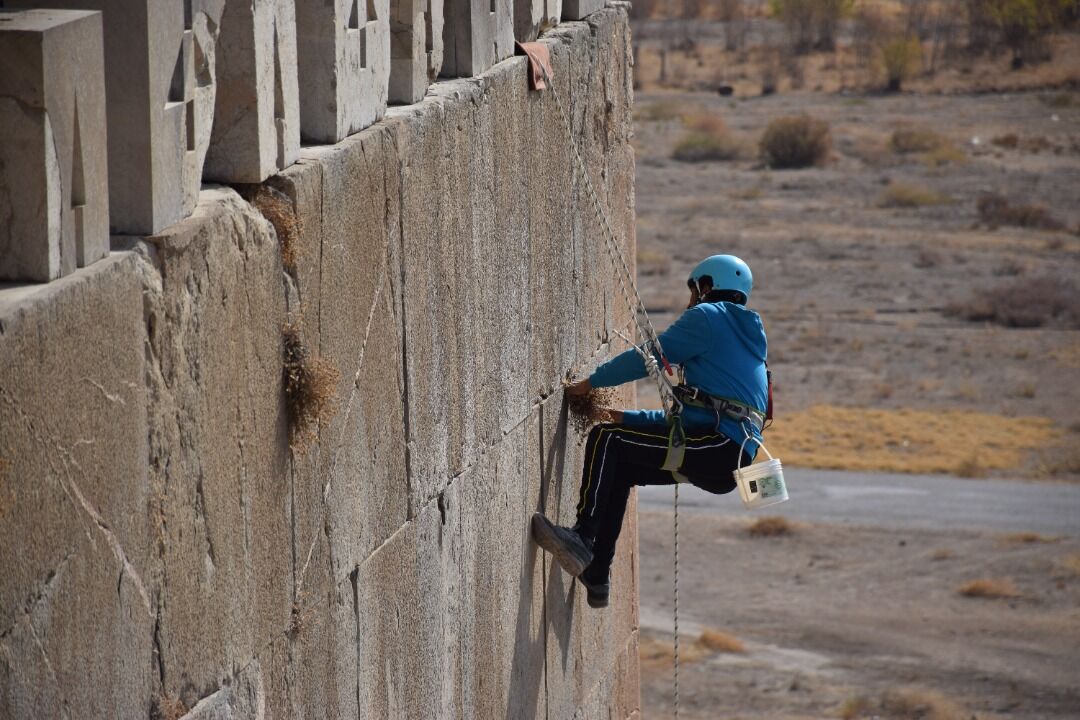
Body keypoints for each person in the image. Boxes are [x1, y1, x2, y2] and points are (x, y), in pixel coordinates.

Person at [531, 254, 770, 608]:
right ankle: (597, 576)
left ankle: (582, 539)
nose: (690, 302)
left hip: (718, 448)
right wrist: (628, 418)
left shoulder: (708, 318)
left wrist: (591, 383)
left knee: (606, 440)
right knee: (622, 463)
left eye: (693, 291)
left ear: (707, 286)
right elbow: (694, 422)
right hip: (725, 457)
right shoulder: (747, 342)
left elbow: (650, 357)